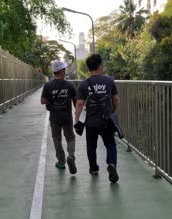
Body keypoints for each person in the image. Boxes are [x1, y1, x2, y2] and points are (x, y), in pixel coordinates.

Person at [74, 54, 120, 183]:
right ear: (100, 66)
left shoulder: (84, 84)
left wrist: (76, 120)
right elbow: (115, 99)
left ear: (89, 68)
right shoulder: (110, 80)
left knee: (91, 146)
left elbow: (79, 104)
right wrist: (113, 112)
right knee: (110, 143)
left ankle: (93, 168)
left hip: (91, 122)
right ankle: (111, 164)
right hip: (106, 120)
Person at [41, 61, 77, 174]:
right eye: (64, 70)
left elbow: (43, 101)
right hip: (67, 117)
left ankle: (61, 162)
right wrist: (77, 113)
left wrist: (51, 99)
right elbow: (76, 101)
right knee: (70, 137)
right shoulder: (70, 85)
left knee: (57, 139)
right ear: (61, 71)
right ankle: (71, 156)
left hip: (54, 117)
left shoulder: (48, 85)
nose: (65, 72)